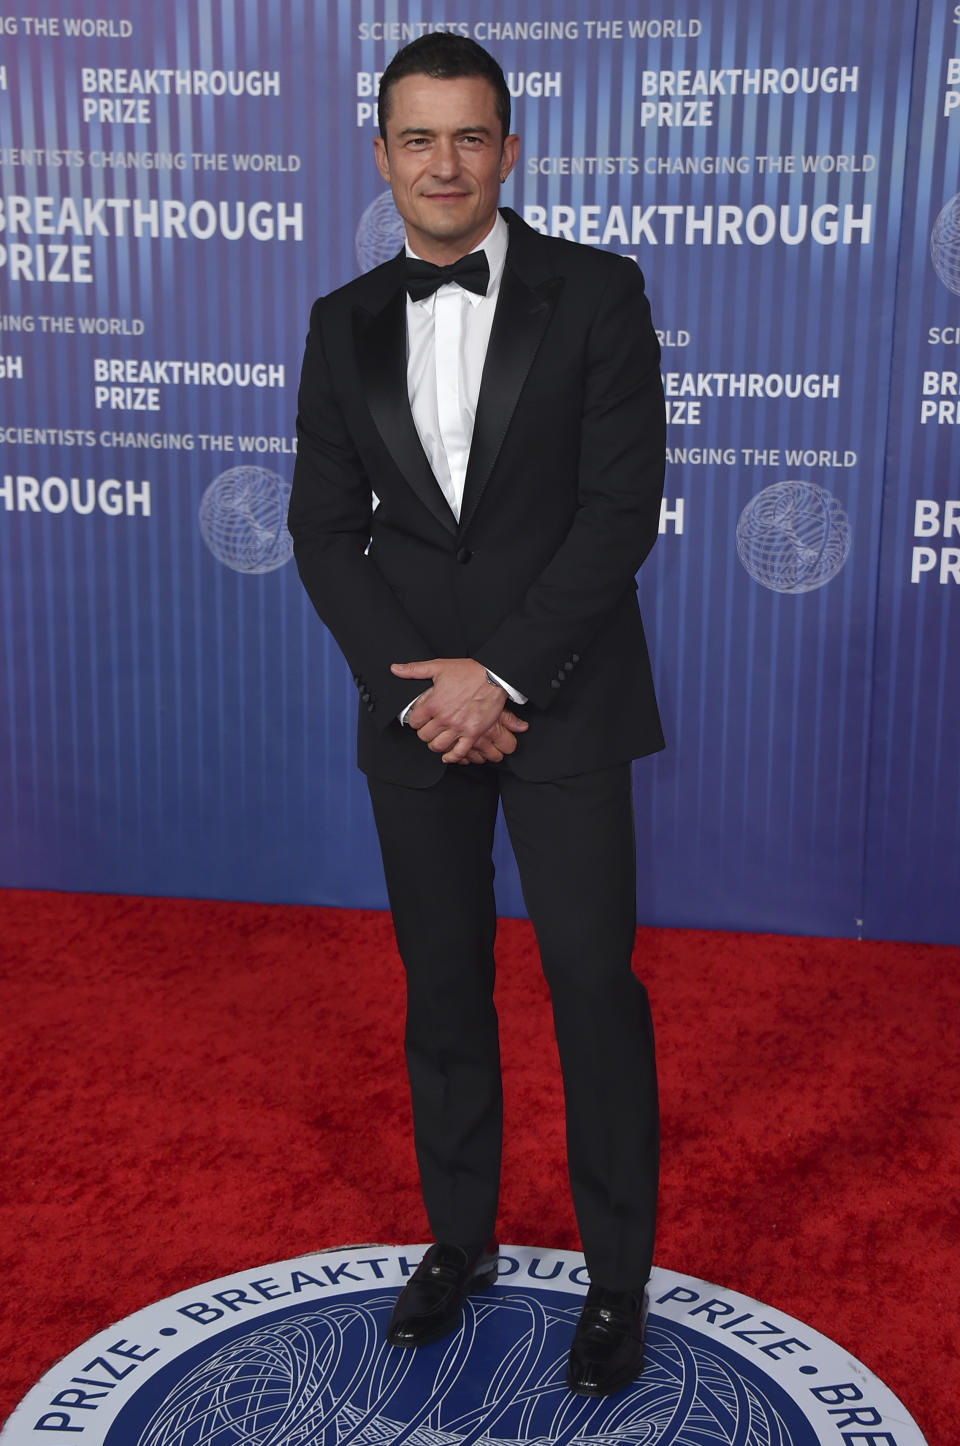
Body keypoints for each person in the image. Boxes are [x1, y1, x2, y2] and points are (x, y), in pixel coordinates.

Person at [288, 31, 665, 1398]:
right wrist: (426, 689)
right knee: (441, 988)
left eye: (470, 136)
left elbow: (620, 511)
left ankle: (617, 1275)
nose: (444, 164)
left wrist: (495, 677)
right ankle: (460, 1237)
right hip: (413, 719)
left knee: (590, 989)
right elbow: (325, 533)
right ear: (381, 152)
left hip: (559, 702)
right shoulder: (339, 322)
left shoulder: (600, 294)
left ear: (510, 148)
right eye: (416, 138)